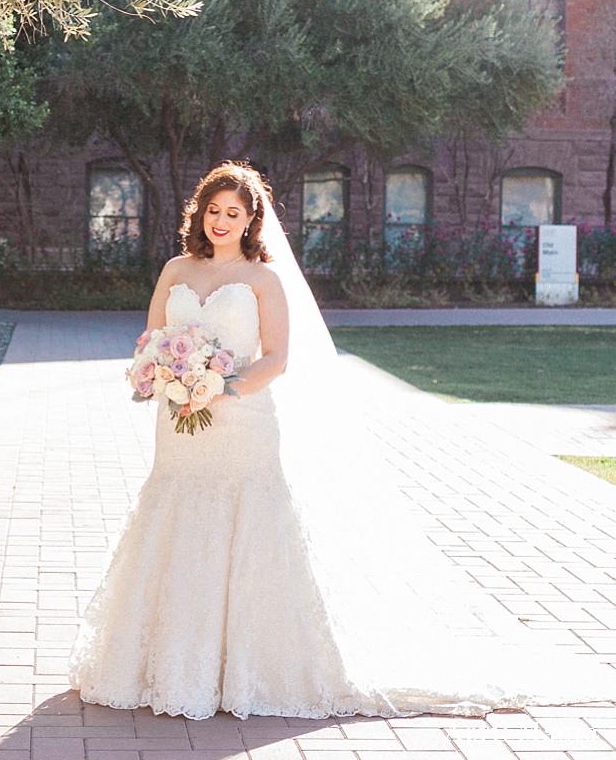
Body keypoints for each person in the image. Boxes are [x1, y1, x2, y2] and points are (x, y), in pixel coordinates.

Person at [69, 162, 616, 720]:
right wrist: (167, 375)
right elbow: (155, 337)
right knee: (177, 519)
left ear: (251, 219)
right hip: (180, 425)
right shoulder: (174, 269)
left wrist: (220, 387)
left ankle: (248, 669)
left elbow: (279, 357)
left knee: (248, 529)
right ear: (200, 213)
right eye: (213, 211)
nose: (221, 222)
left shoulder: (264, 278)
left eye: (234, 213)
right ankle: (166, 661)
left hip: (242, 422)